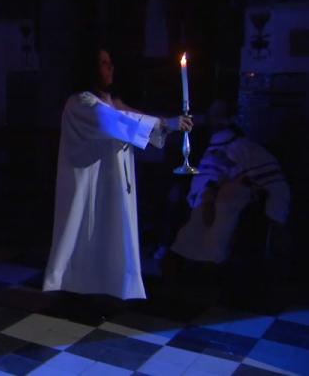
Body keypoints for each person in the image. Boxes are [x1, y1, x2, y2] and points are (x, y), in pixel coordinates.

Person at [42, 46, 192, 300]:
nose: (110, 67)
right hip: (88, 184)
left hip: (112, 183)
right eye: (103, 63)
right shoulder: (80, 102)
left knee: (113, 232)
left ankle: (110, 287)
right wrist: (165, 123)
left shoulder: (110, 102)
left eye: (110, 62)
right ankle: (73, 287)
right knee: (86, 232)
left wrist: (169, 124)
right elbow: (110, 121)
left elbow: (130, 116)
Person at [171, 99, 290, 263]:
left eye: (219, 115)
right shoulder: (200, 148)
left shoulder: (245, 149)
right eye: (212, 115)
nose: (214, 120)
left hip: (224, 239)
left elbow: (276, 186)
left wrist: (275, 220)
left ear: (231, 119)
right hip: (195, 231)